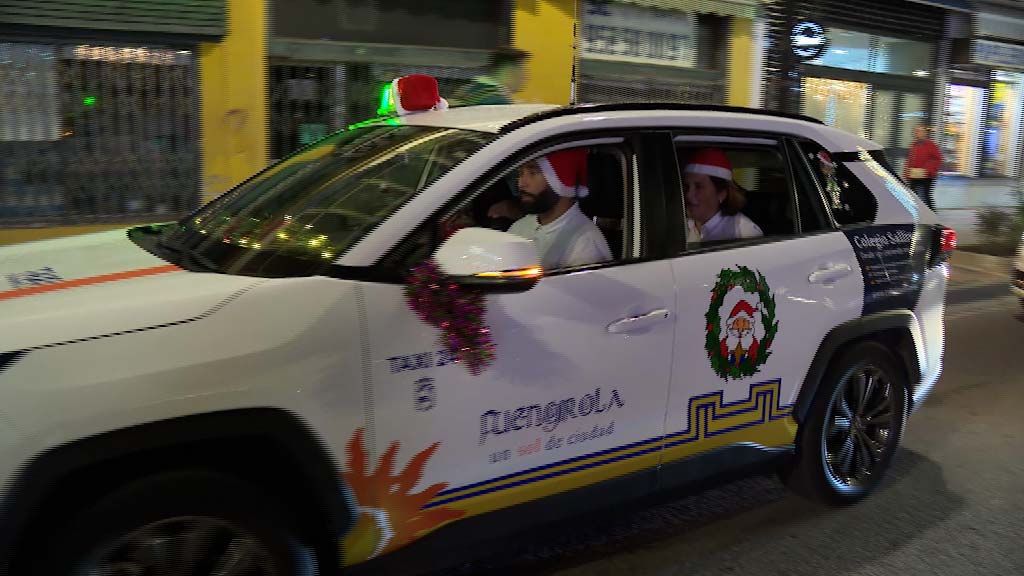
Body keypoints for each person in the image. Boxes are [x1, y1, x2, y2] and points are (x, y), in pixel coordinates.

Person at [503, 149, 612, 270]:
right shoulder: (520, 226)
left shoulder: (585, 243)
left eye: (532, 173)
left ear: (560, 179)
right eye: (521, 173)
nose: (521, 183)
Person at [682, 148, 763, 243]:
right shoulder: (683, 225)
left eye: (699, 186)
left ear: (721, 194)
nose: (688, 195)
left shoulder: (742, 233)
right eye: (686, 186)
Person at [449, 46, 527, 106]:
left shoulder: (466, 89)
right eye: (523, 70)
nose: (526, 77)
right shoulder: (497, 100)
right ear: (510, 72)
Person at [904, 125, 943, 210]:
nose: (917, 133)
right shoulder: (914, 145)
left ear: (924, 133)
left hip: (927, 176)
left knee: (926, 196)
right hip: (914, 175)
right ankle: (916, 215)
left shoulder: (931, 145)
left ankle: (932, 217)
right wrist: (907, 173)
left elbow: (938, 159)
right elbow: (910, 160)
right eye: (916, 131)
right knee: (913, 196)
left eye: (920, 131)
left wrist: (927, 170)